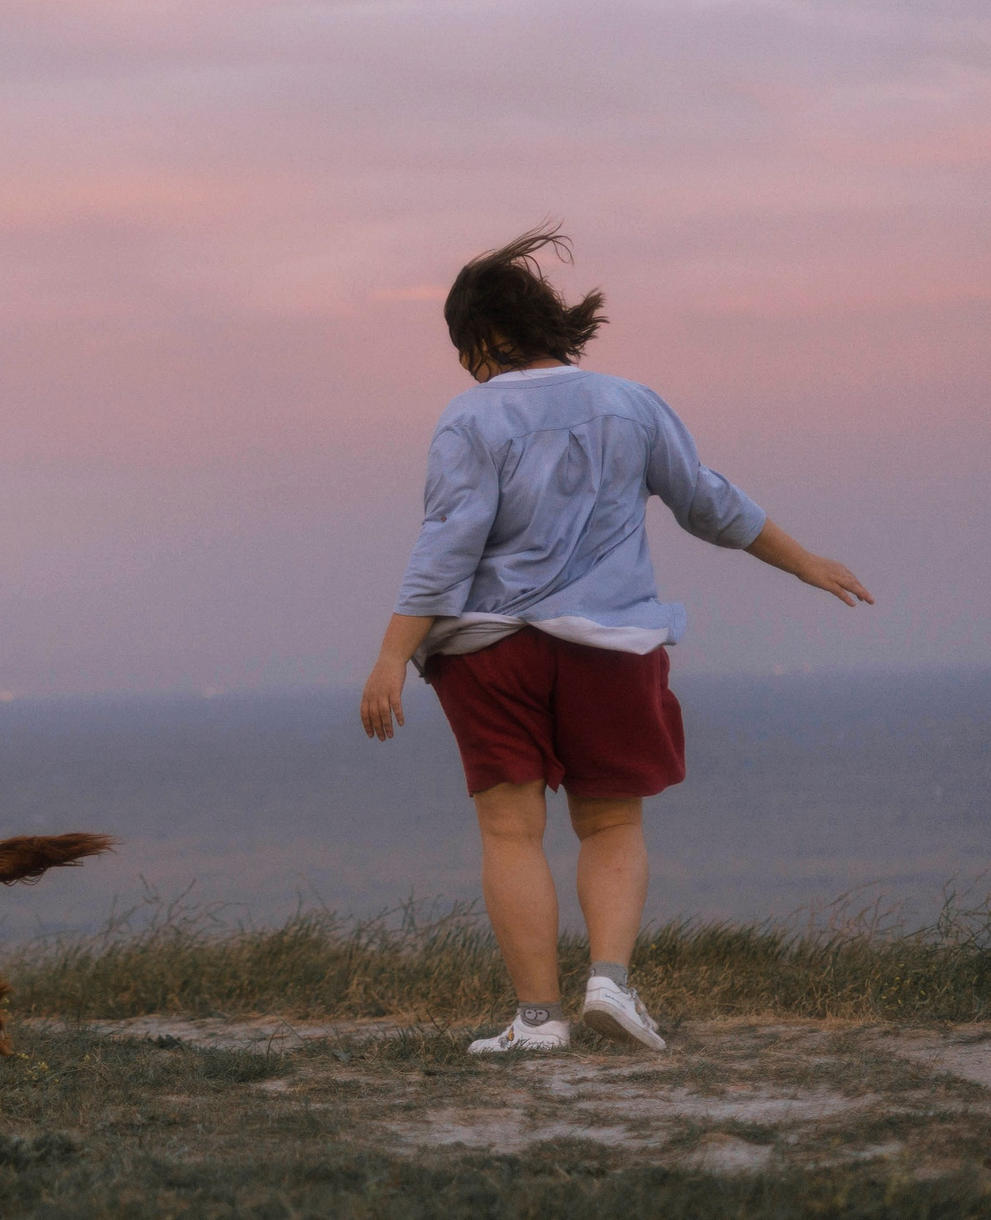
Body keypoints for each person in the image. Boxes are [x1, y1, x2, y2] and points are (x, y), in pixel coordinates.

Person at [358, 226, 871, 1054]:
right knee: (610, 826)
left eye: (463, 348)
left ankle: (537, 1021)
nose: (465, 367)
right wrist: (804, 561)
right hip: (613, 647)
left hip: (492, 651)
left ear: (486, 338)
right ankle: (610, 982)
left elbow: (448, 545)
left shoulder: (469, 419)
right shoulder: (631, 403)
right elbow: (707, 502)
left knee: (511, 832)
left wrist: (390, 656)